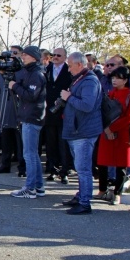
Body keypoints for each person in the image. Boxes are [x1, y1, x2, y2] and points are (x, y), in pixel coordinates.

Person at [59, 52, 103, 215]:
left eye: (70, 65)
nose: (68, 69)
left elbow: (87, 105)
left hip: (84, 131)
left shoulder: (90, 81)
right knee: (80, 167)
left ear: (79, 65)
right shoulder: (80, 79)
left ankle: (85, 203)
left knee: (83, 168)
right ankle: (80, 196)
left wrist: (69, 97)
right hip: (76, 130)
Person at [94, 66, 130, 206]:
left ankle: (118, 193)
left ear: (125, 80)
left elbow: (129, 117)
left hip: (122, 133)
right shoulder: (110, 93)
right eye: (113, 78)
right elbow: (103, 112)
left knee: (121, 165)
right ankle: (102, 189)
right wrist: (106, 128)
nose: (114, 80)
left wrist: (111, 128)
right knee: (102, 162)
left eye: (118, 78)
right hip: (106, 131)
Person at [8, 46, 47, 198]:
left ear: (34, 57)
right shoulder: (30, 72)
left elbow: (31, 96)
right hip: (28, 115)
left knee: (29, 154)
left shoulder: (37, 74)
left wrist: (15, 86)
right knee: (32, 154)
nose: (22, 57)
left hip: (32, 117)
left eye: (25, 55)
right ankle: (39, 186)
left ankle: (30, 188)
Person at [45, 47, 72, 183]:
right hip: (49, 112)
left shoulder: (69, 70)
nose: (55, 57)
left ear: (65, 57)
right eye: (53, 55)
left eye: (59, 55)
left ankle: (64, 171)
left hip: (63, 111)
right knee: (51, 143)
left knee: (63, 144)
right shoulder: (47, 69)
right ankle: (52, 169)